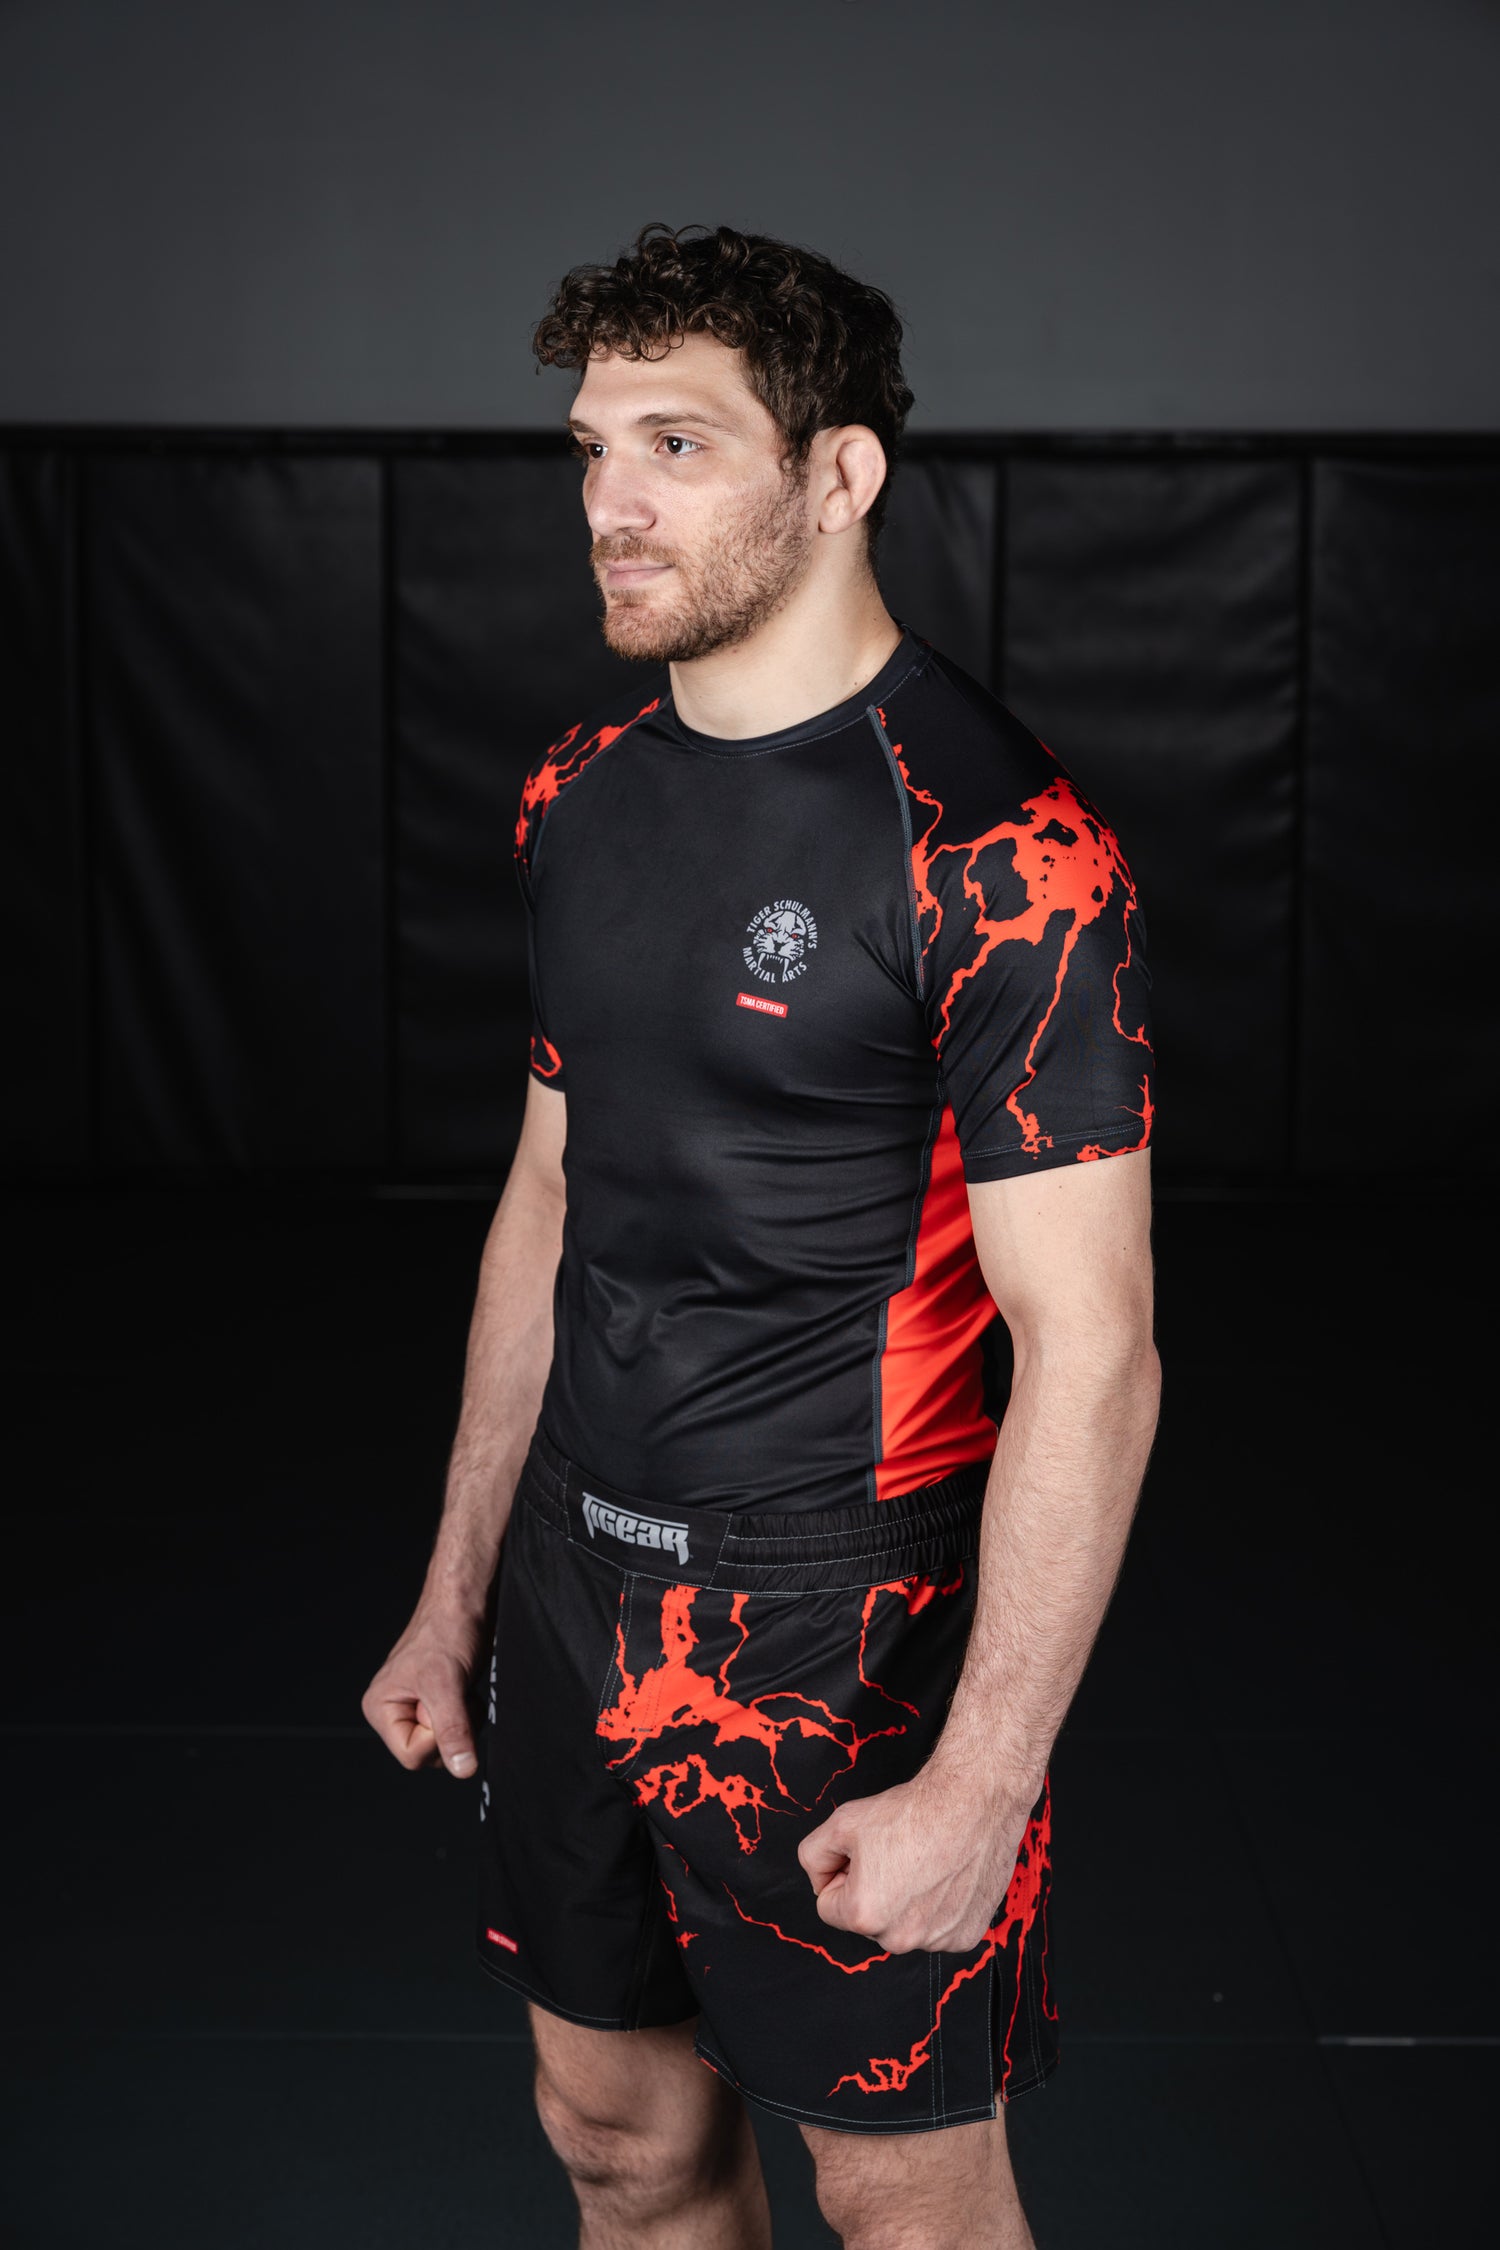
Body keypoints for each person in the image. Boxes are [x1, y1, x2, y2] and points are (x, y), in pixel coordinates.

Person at [362, 222, 1161, 2250]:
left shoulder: (1004, 852)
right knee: (615, 2142)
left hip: (838, 1623)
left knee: (902, 2205)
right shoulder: (579, 794)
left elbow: (1096, 1353)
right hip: (574, 1578)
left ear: (839, 474)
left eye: (680, 445)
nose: (611, 504)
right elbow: (551, 1200)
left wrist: (983, 1780)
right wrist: (455, 1590)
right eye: (591, 447)